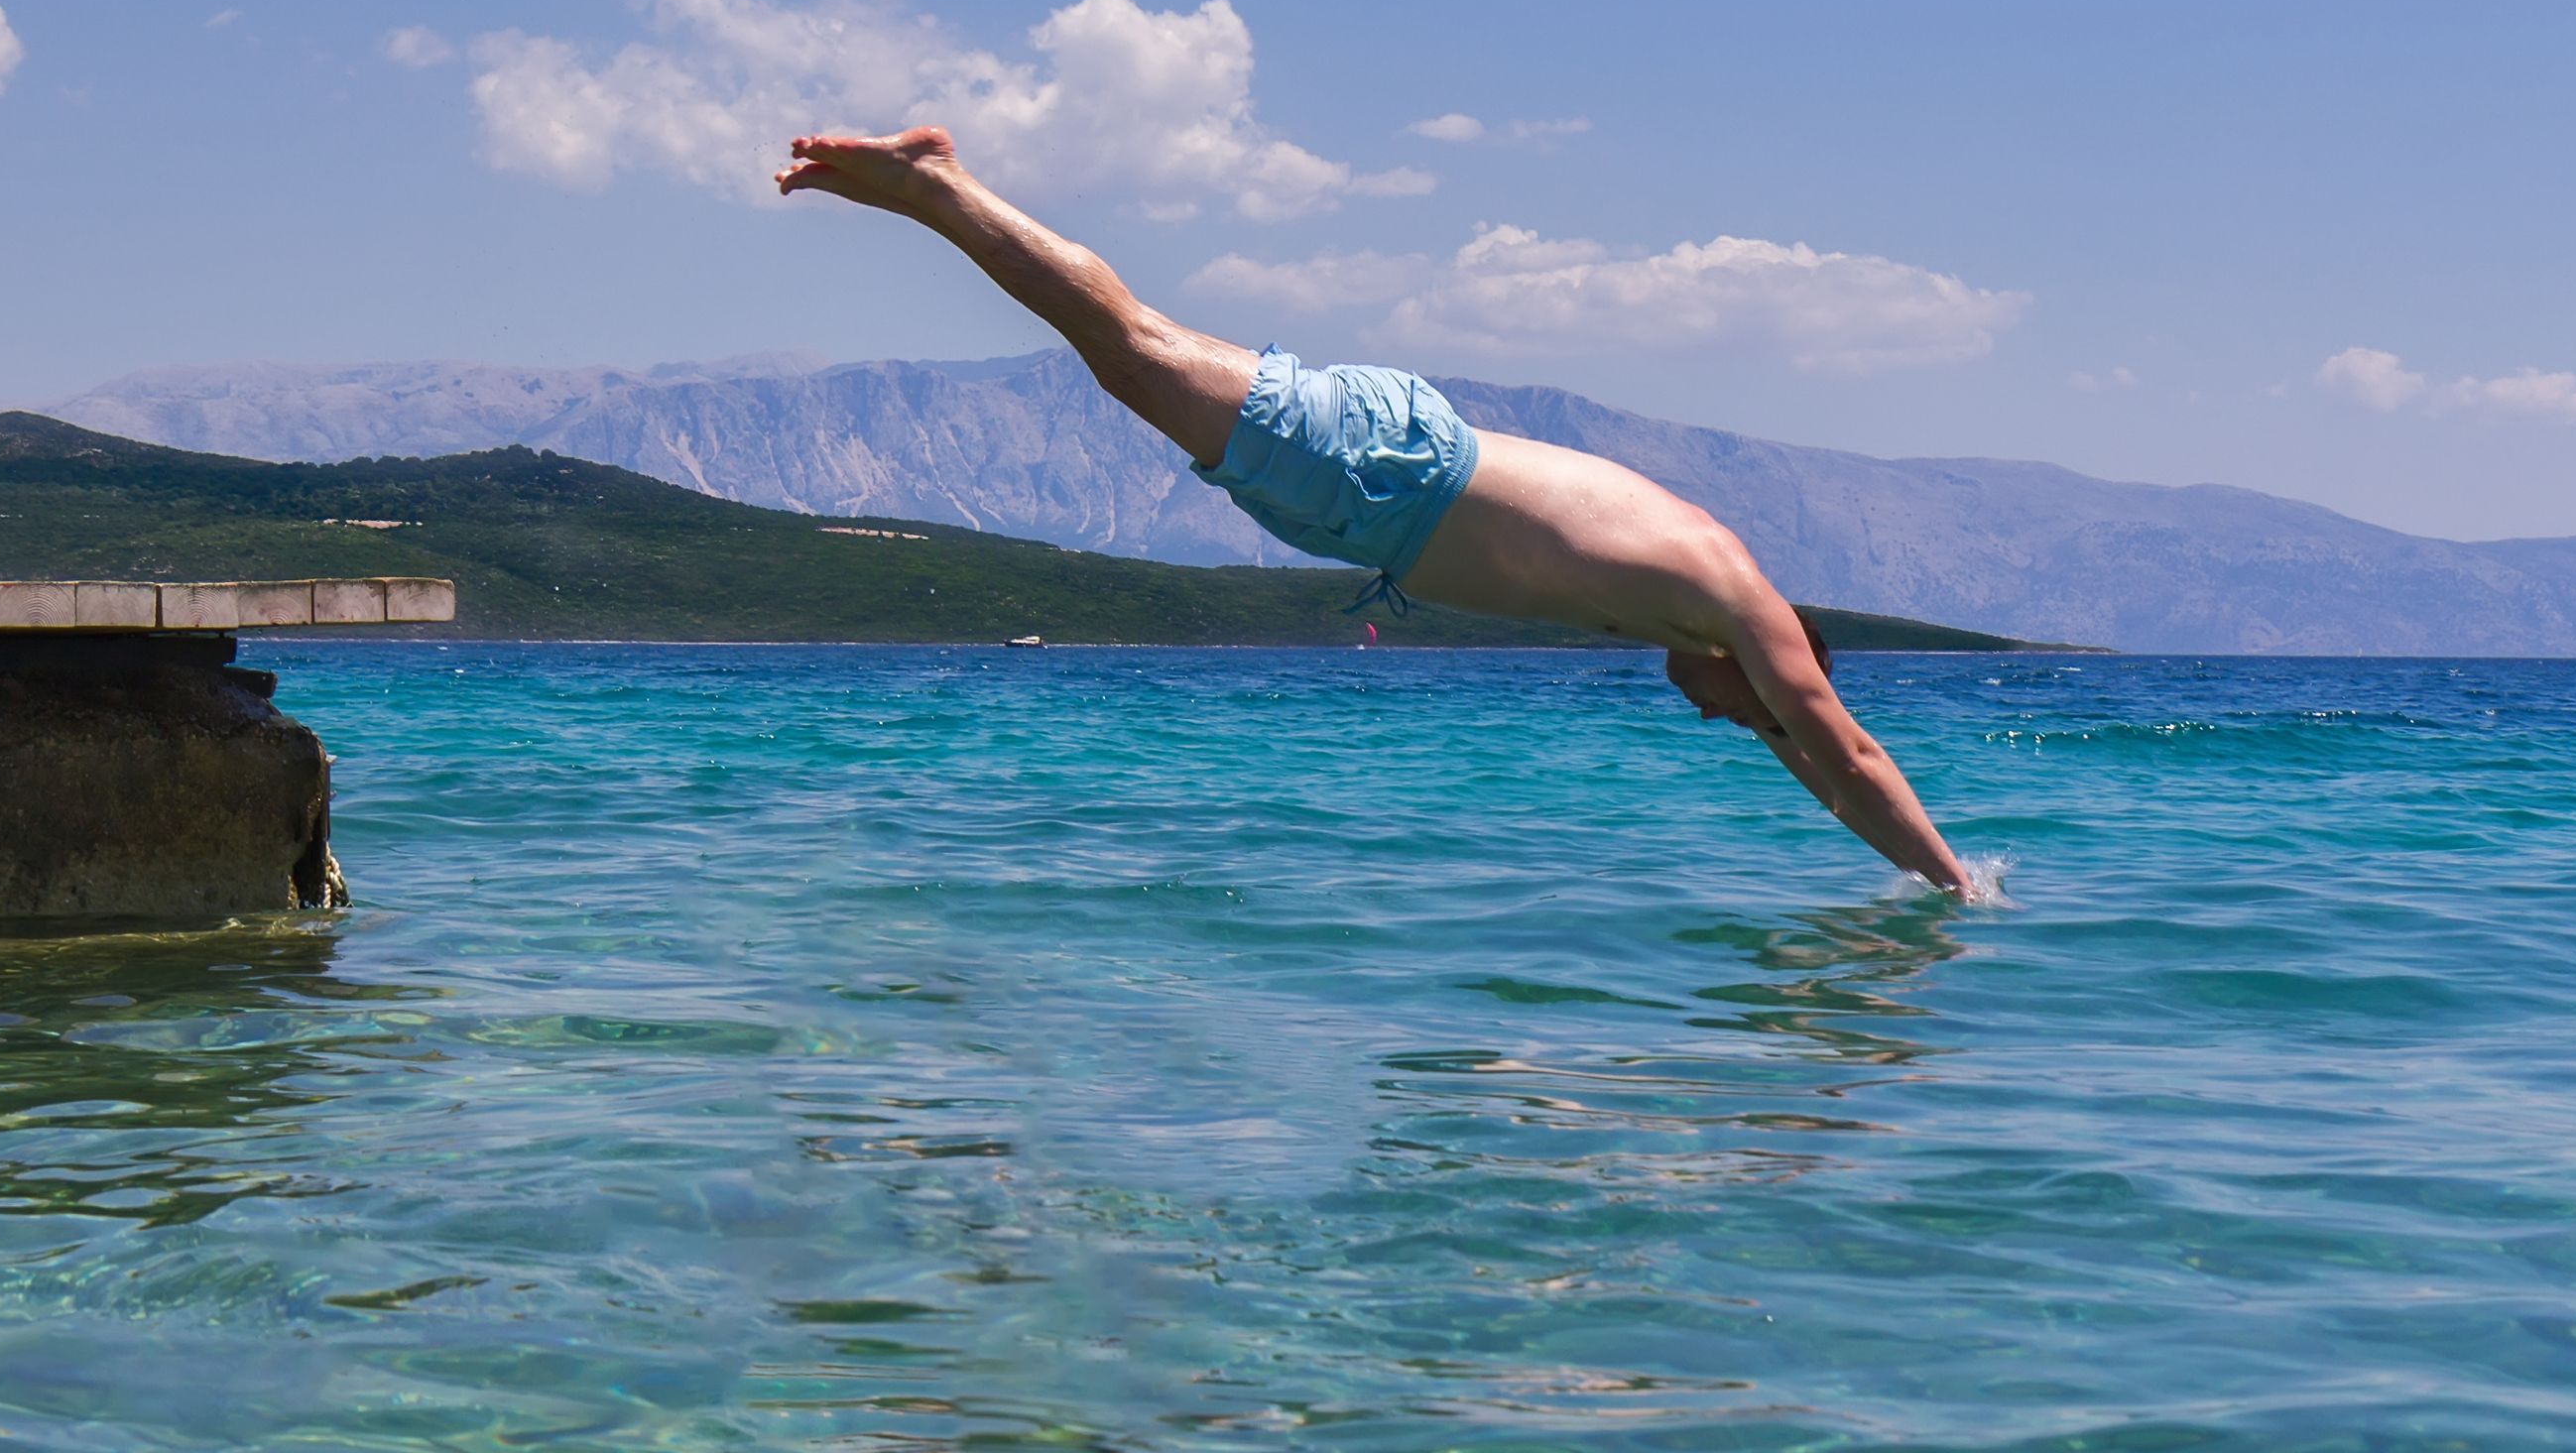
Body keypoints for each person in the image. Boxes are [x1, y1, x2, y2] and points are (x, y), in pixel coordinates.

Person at [778, 126, 1971, 890]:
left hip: (1370, 498)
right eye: (1755, 714)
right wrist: (1955, 886)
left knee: (1136, 361)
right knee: (1134, 352)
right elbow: (1848, 751)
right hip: (1387, 471)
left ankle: (935, 194)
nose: (1730, 725)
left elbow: (1811, 761)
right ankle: (938, 185)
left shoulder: (1710, 612)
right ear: (1780, 669)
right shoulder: (1741, 604)